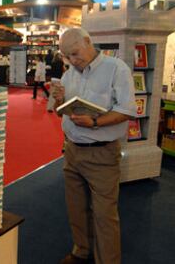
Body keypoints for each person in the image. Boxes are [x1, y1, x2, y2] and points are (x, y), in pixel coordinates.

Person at [52, 28, 137, 264]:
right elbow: (63, 113)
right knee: (76, 208)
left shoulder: (116, 68)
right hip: (71, 150)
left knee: (104, 216)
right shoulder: (70, 74)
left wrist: (96, 122)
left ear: (88, 42)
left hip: (102, 153)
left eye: (76, 53)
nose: (73, 60)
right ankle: (81, 250)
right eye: (68, 56)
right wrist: (59, 101)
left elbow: (128, 110)